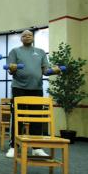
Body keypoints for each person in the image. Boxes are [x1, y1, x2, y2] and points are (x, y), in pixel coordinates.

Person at [5, 30, 60, 158]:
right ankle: (14, 146)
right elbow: (10, 69)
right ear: (21, 39)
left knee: (37, 119)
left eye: (29, 35)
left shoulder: (40, 52)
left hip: (36, 88)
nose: (27, 36)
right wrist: (12, 69)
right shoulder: (15, 51)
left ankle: (36, 147)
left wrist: (54, 71)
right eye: (24, 35)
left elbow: (45, 71)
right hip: (19, 88)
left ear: (33, 38)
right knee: (18, 118)